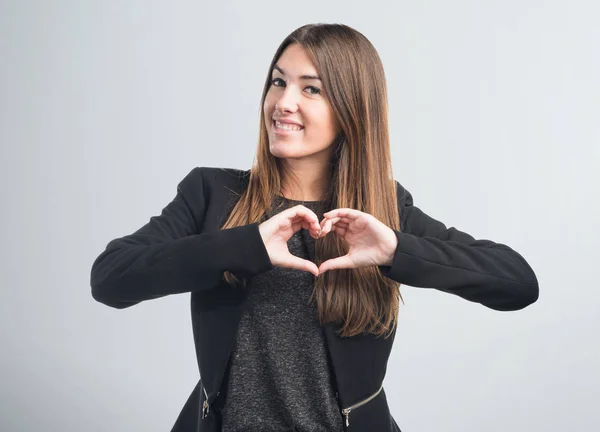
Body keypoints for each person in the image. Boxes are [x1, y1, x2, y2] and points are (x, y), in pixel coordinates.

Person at [90, 23, 539, 432]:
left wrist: (396, 250)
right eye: (279, 82)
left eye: (312, 90)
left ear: (351, 109)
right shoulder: (212, 192)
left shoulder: (383, 208)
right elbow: (111, 278)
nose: (283, 102)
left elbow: (517, 283)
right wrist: (245, 245)